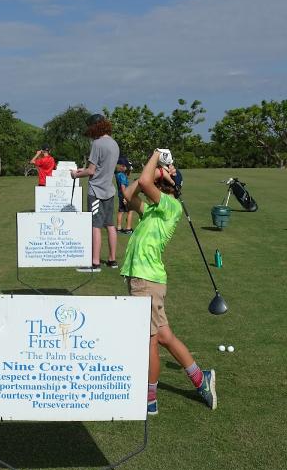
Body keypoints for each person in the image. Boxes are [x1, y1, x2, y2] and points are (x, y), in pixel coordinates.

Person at [120, 149, 217, 414]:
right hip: (145, 280)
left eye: (162, 182)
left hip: (146, 281)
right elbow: (129, 195)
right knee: (164, 335)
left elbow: (143, 182)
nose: (158, 184)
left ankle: (149, 398)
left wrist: (155, 157)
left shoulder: (170, 206)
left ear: (171, 188)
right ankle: (200, 379)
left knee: (150, 341)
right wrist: (160, 171)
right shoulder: (153, 210)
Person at [71, 114, 119, 272]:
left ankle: (95, 263)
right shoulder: (114, 143)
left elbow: (91, 171)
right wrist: (83, 170)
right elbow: (101, 168)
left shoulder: (97, 144)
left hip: (96, 191)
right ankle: (112, 260)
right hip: (109, 191)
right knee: (110, 225)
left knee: (95, 226)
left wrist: (76, 174)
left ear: (94, 127)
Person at [115, 156, 134, 235]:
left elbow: (128, 175)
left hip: (120, 195)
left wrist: (129, 170)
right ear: (122, 166)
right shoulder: (122, 176)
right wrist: (126, 197)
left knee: (121, 211)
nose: (128, 167)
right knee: (130, 211)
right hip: (124, 195)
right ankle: (128, 228)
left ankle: (119, 228)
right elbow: (123, 187)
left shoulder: (118, 174)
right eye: (126, 166)